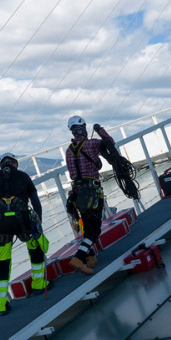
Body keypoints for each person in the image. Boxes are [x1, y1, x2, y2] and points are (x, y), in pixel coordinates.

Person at [0, 152, 49, 315]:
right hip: (23, 222)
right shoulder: (23, 176)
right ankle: (38, 285)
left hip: (1, 224)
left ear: (1, 165)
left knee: (2, 262)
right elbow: (35, 200)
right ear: (14, 164)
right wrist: (39, 218)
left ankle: (2, 303)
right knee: (35, 249)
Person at [64, 116, 113, 275]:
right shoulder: (92, 144)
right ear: (83, 128)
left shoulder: (69, 151)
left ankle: (89, 258)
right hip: (92, 192)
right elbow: (110, 143)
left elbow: (73, 174)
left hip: (78, 193)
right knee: (94, 230)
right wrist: (100, 130)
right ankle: (79, 257)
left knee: (87, 226)